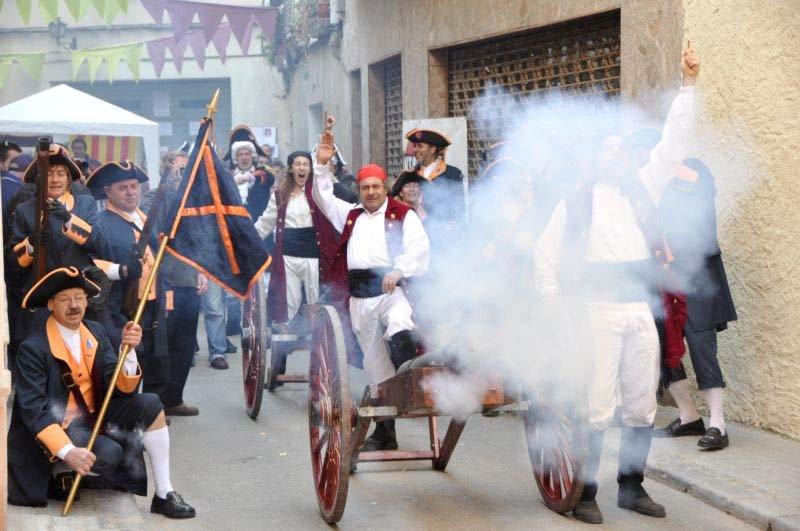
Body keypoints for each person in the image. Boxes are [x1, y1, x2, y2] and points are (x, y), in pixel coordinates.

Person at [534, 45, 700, 524]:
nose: (617, 155)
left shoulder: (643, 188)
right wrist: (551, 303)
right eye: (608, 149)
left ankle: (632, 487)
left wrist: (688, 87)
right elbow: (545, 257)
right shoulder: (576, 202)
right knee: (597, 405)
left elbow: (674, 145)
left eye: (621, 149)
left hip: (637, 309)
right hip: (595, 311)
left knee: (642, 403)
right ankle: (585, 492)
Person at [7, 266, 195, 518]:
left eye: (79, 298)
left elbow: (117, 388)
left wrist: (127, 353)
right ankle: (60, 468)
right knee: (109, 454)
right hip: (57, 429)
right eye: (64, 299)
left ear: (87, 301)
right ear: (51, 304)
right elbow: (35, 412)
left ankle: (164, 493)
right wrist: (68, 452)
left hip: (94, 417)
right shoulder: (33, 348)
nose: (73, 305)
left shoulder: (95, 332)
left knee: (151, 404)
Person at [313, 134, 430, 451]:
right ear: (360, 190)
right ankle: (385, 434)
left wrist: (399, 270)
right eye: (366, 188)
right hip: (359, 301)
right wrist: (322, 164)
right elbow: (323, 198)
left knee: (401, 323)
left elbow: (419, 248)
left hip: (390, 291)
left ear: (385, 186)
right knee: (376, 367)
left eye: (376, 186)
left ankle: (412, 384)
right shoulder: (350, 214)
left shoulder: (402, 215)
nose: (372, 192)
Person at [655, 158, 737, 449]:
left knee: (704, 352)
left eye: (686, 179)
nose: (680, 182)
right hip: (667, 284)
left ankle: (718, 425)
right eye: (678, 178)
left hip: (697, 285)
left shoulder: (702, 197)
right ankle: (688, 416)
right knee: (667, 353)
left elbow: (702, 243)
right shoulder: (666, 194)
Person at [87, 161, 171, 400]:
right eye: (122, 187)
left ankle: (151, 412)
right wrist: (121, 270)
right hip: (119, 307)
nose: (131, 192)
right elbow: (90, 264)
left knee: (156, 358)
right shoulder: (100, 224)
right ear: (108, 192)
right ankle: (126, 413)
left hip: (152, 303)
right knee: (126, 362)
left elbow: (157, 260)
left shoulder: (144, 218)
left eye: (134, 186)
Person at [142, 151, 206, 414]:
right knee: (161, 347)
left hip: (188, 279)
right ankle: (155, 404)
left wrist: (202, 270)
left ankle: (174, 399)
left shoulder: (193, 201)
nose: (180, 173)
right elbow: (149, 235)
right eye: (175, 168)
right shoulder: (153, 197)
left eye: (183, 169)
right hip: (164, 280)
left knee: (184, 344)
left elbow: (201, 240)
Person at [254, 150, 340, 326]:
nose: (302, 168)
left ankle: (317, 333)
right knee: (290, 299)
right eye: (297, 164)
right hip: (288, 255)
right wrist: (247, 239)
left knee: (315, 298)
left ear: (310, 169)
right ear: (291, 168)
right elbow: (265, 223)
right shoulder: (279, 195)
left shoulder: (318, 193)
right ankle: (287, 331)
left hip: (312, 253)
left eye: (306, 164)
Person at [404, 128, 466, 242]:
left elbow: (459, 209)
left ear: (432, 149)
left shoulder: (452, 174)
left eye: (420, 146)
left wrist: (455, 228)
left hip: (444, 239)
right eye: (415, 146)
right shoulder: (409, 175)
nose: (415, 150)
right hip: (417, 237)